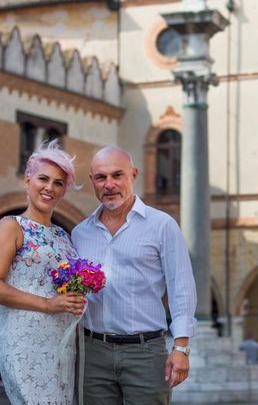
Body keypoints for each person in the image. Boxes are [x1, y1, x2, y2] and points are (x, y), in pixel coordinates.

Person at [72, 145, 197, 404]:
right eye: (101, 177)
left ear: (134, 175)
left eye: (117, 175)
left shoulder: (162, 225)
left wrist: (181, 347)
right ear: (92, 181)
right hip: (93, 352)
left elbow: (181, 287)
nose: (109, 184)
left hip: (145, 352)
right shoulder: (80, 233)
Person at [0, 141, 86, 404]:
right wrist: (48, 304)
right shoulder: (11, 226)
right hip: (26, 342)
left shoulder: (64, 235)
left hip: (62, 345)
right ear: (28, 180)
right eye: (43, 179)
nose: (50, 187)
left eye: (58, 183)